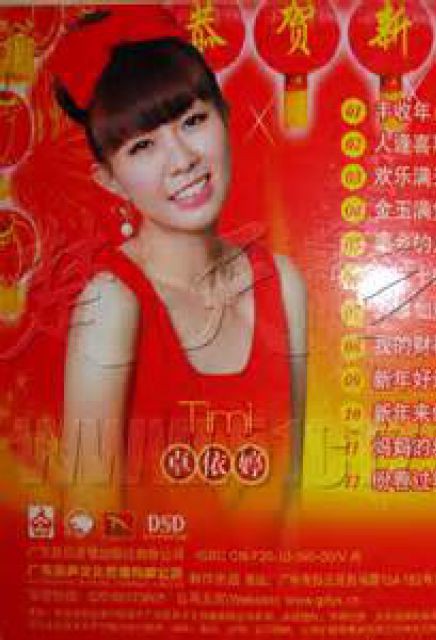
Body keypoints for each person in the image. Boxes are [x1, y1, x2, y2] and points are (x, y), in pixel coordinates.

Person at [49, 6, 307, 537]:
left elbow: (293, 499)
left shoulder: (282, 283)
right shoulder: (111, 304)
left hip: (268, 588)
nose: (182, 159)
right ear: (110, 180)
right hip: (155, 588)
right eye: (143, 146)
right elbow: (89, 531)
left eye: (193, 121)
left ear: (225, 116)